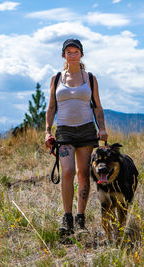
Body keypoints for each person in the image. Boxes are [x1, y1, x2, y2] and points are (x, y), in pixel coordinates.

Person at [45, 39, 108, 236]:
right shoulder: (56, 79)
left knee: (82, 173)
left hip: (86, 130)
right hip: (64, 131)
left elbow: (97, 105)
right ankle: (67, 218)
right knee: (67, 172)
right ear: (64, 55)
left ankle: (80, 219)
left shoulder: (90, 78)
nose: (72, 54)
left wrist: (102, 128)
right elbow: (51, 107)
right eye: (69, 51)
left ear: (81, 54)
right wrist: (48, 131)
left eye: (76, 51)